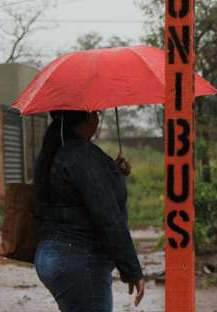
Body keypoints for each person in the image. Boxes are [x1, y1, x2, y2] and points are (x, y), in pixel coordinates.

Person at [33, 110, 145, 312]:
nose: (97, 117)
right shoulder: (82, 154)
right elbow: (107, 216)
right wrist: (132, 269)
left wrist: (112, 171)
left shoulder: (55, 152)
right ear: (85, 118)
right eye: (95, 113)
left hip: (52, 255)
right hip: (79, 259)